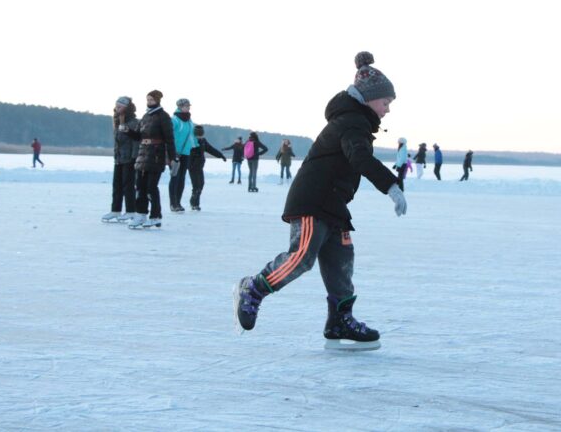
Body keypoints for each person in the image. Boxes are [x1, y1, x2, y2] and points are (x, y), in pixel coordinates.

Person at [233, 51, 406, 351]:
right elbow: (360, 158)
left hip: (334, 203)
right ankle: (253, 288)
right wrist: (391, 185)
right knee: (301, 257)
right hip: (314, 200)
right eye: (386, 102)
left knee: (341, 262)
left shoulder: (355, 121)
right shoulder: (352, 122)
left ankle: (339, 321)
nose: (388, 109)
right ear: (369, 98)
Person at [126, 90, 176, 229]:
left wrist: (172, 158)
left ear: (158, 100)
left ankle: (155, 216)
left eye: (151, 100)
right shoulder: (145, 116)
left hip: (156, 154)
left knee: (151, 187)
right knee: (140, 186)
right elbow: (138, 136)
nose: (149, 102)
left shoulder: (163, 116)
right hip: (143, 154)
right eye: (147, 100)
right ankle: (141, 214)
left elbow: (169, 139)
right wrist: (128, 131)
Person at [101, 97, 140, 223]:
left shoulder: (134, 122)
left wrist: (134, 158)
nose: (117, 108)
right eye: (116, 106)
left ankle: (131, 211)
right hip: (119, 158)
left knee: (128, 185)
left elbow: (136, 140)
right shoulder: (117, 121)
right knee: (116, 184)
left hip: (129, 158)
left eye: (120, 106)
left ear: (127, 108)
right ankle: (115, 210)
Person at [188, 124, 227, 211]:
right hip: (192, 166)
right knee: (196, 186)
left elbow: (211, 149)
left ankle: (194, 202)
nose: (200, 137)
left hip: (200, 166)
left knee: (201, 184)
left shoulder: (203, 141)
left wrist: (221, 155)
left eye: (201, 135)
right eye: (198, 135)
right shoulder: (191, 141)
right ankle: (194, 204)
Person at [168, 98, 198, 212]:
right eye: (185, 106)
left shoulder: (190, 121)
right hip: (175, 153)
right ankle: (173, 203)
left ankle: (178, 202)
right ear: (180, 107)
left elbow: (193, 135)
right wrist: (171, 151)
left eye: (188, 106)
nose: (188, 108)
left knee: (182, 178)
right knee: (175, 177)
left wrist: (195, 146)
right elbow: (169, 136)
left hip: (186, 153)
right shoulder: (174, 120)